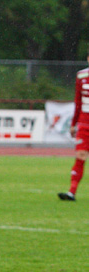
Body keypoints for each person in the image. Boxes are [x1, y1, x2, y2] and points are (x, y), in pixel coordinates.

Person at [58, 49, 89, 201]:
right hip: (84, 124)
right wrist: (73, 123)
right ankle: (72, 192)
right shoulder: (81, 75)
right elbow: (78, 101)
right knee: (80, 156)